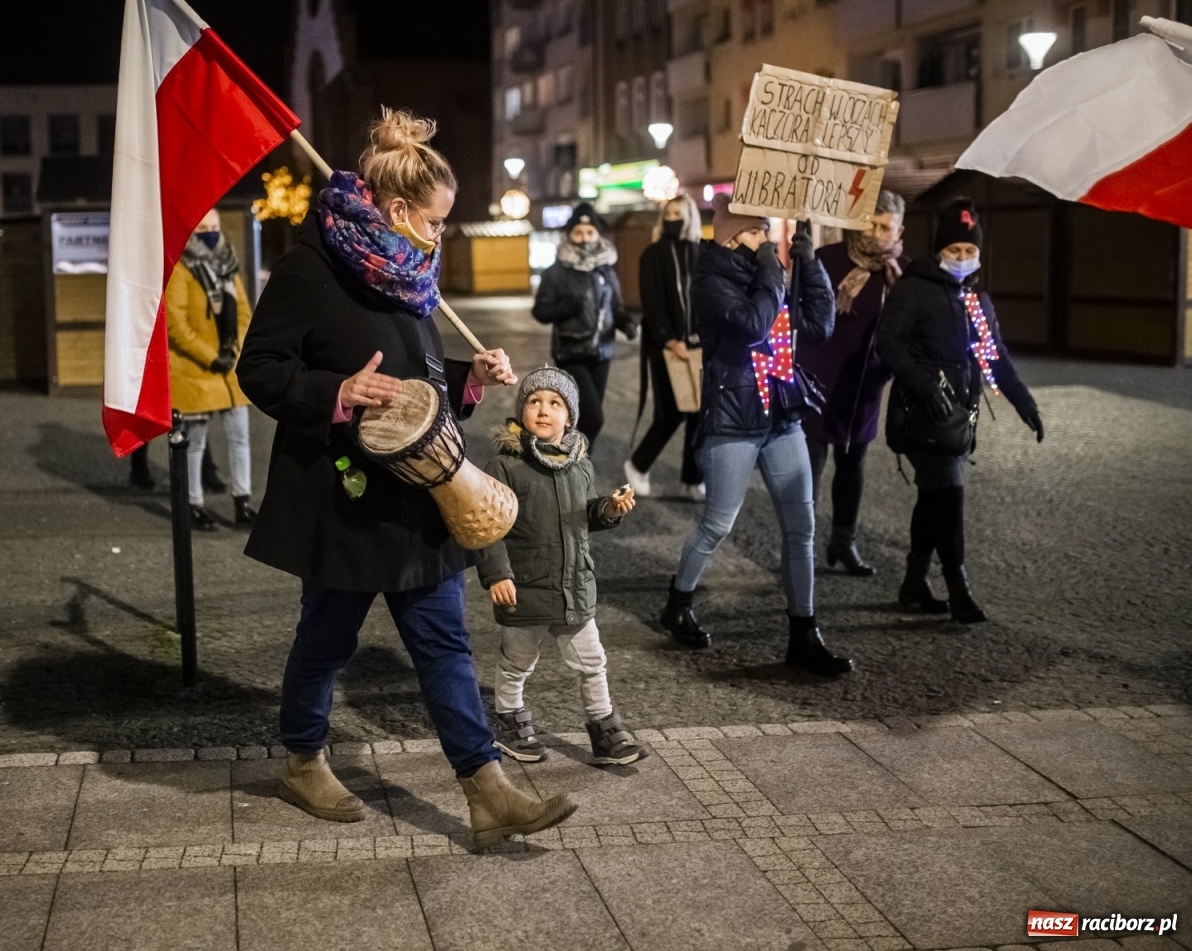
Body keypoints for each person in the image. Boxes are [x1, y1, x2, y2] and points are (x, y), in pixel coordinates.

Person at [237, 107, 575, 849]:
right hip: (344, 499)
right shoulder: (309, 267)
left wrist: (469, 380)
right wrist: (337, 393)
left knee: (445, 643)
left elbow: (411, 378)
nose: (441, 235)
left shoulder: (407, 270)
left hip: (418, 498)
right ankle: (300, 758)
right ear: (395, 210)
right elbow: (258, 369)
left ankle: (487, 790)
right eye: (436, 219)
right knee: (326, 642)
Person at [658, 195, 853, 676]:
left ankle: (804, 633)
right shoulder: (711, 280)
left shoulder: (771, 277)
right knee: (718, 523)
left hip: (782, 415)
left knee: (801, 527)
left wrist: (810, 265)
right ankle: (678, 602)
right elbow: (753, 325)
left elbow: (818, 326)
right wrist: (774, 269)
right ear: (729, 234)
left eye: (768, 230)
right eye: (756, 230)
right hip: (735, 417)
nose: (767, 239)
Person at [876, 197, 1043, 624]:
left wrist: (1024, 403)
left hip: (956, 418)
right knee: (948, 496)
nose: (963, 258)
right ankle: (959, 588)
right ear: (939, 252)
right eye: (955, 251)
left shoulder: (976, 300)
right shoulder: (914, 289)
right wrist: (924, 385)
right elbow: (888, 342)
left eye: (970, 252)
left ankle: (914, 581)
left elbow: (994, 358)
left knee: (933, 499)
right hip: (919, 414)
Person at [480, 367, 644, 766]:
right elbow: (488, 524)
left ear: (569, 417)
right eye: (534, 401)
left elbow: (585, 514)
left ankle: (604, 728)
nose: (543, 409)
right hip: (526, 584)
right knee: (517, 661)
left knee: (592, 661)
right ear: (521, 413)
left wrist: (608, 508)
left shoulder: (579, 465)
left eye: (555, 403)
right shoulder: (506, 466)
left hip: (574, 584)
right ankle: (510, 720)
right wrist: (497, 574)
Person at [798, 191, 909, 577]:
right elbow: (802, 312)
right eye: (871, 223)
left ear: (899, 230)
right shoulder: (828, 260)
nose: (877, 233)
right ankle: (801, 548)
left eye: (886, 227)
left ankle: (843, 541)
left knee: (852, 466)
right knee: (808, 471)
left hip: (863, 386)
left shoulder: (901, 274)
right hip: (817, 380)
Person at [167, 208, 256, 530]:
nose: (210, 233)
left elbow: (245, 313)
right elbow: (176, 325)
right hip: (197, 371)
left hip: (229, 368)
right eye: (203, 227)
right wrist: (210, 355)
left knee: (240, 439)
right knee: (195, 445)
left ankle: (242, 502)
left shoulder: (227, 265)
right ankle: (193, 504)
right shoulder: (181, 269)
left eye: (214, 226)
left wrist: (235, 349)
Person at [531, 202, 637, 447]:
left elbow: (615, 307)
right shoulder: (556, 272)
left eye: (590, 232)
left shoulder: (606, 270)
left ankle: (576, 466)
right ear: (569, 235)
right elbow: (541, 311)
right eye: (578, 232)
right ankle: (575, 461)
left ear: (598, 234)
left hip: (602, 352)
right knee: (593, 418)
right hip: (571, 352)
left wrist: (626, 323)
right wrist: (568, 307)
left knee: (583, 417)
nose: (584, 238)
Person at [627, 192, 705, 501]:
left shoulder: (701, 253)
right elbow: (652, 301)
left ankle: (692, 479)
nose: (673, 218)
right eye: (669, 213)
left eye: (679, 213)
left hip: (698, 347)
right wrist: (669, 339)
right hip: (664, 348)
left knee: (700, 413)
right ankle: (637, 464)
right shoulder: (653, 254)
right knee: (670, 414)